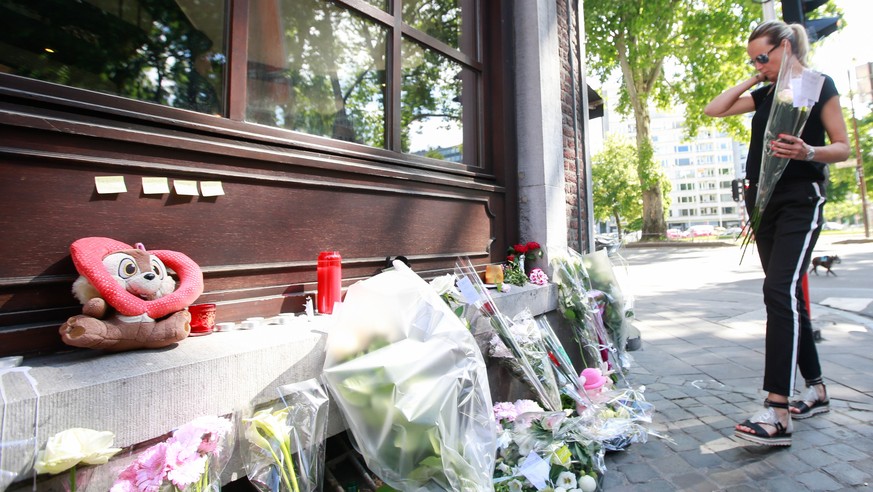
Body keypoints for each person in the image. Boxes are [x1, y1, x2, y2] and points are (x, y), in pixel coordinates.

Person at [704, 20, 850, 446]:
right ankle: (817, 389)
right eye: (752, 59)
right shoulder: (766, 91)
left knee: (778, 290)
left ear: (786, 46)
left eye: (762, 56)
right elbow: (715, 108)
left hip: (801, 199)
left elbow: (841, 146)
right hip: (763, 202)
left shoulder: (819, 85)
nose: (757, 64)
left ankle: (778, 409)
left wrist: (808, 150)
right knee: (789, 295)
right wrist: (758, 74)